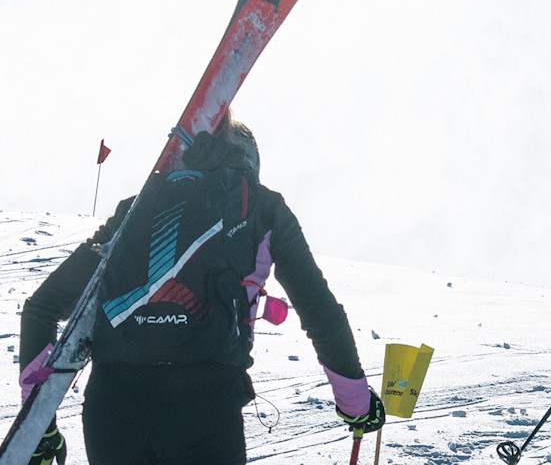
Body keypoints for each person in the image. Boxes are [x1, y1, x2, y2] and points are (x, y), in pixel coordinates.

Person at [18, 117, 384, 465]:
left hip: (112, 411)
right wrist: (356, 404)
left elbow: (42, 309)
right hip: (203, 405)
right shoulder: (261, 207)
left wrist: (37, 429)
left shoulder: (136, 209)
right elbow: (319, 311)